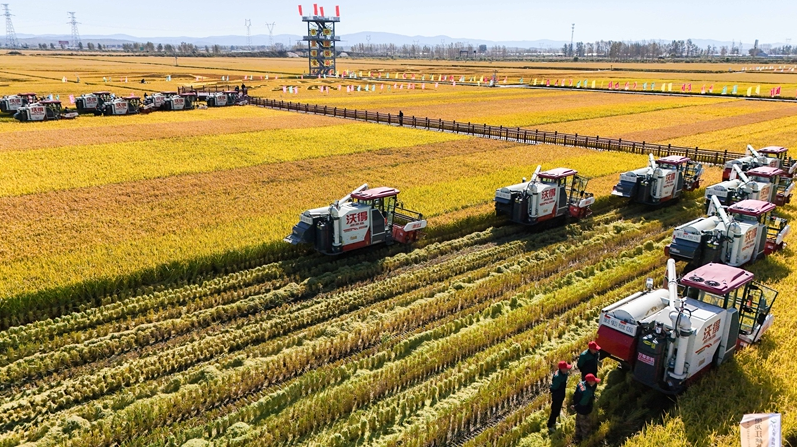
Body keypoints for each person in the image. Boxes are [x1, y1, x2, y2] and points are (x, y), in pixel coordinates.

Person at [571, 373, 600, 442]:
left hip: (578, 409)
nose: (595, 382)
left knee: (578, 424)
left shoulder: (581, 383)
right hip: (584, 411)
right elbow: (583, 403)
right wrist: (576, 407)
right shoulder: (587, 392)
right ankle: (585, 441)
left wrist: (575, 406)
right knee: (586, 426)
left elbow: (576, 394)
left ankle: (577, 437)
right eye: (593, 381)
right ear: (589, 382)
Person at [547, 360, 571, 431]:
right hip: (557, 395)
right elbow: (554, 387)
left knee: (558, 409)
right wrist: (552, 390)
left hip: (561, 393)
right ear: (562, 369)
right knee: (554, 410)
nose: (567, 369)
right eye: (566, 368)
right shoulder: (558, 377)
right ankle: (550, 425)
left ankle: (554, 422)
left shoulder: (564, 373)